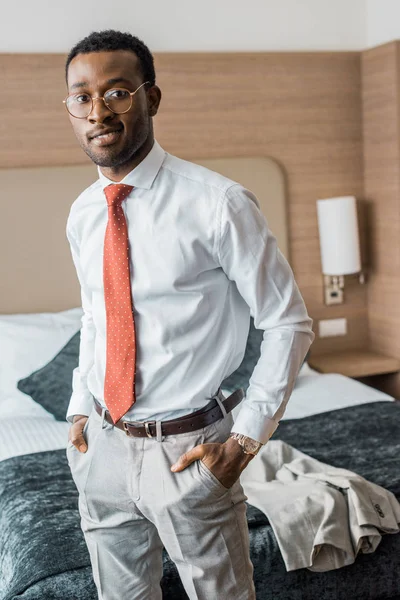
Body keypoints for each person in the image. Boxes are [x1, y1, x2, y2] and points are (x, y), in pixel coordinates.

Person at [64, 29, 314, 600]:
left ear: (152, 98)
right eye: (82, 97)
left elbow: (288, 323)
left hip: (190, 453)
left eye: (118, 92)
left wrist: (245, 440)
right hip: (101, 442)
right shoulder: (82, 214)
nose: (99, 111)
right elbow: (95, 317)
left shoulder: (218, 203)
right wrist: (79, 411)